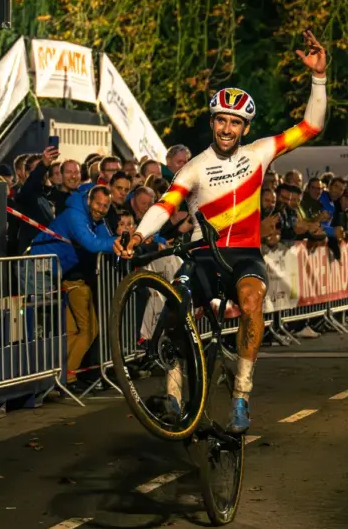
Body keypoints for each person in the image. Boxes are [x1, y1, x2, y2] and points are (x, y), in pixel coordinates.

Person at [117, 29, 327, 433]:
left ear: (245, 127)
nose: (227, 129)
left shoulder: (260, 151)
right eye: (221, 121)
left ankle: (241, 396)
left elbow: (311, 127)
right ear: (212, 122)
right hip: (202, 255)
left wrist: (318, 78)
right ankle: (175, 395)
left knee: (251, 304)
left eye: (235, 122)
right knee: (180, 316)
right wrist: (139, 236)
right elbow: (166, 205)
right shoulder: (193, 166)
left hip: (245, 255)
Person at [30, 186, 117, 391]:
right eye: (98, 203)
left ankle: (58, 378)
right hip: (41, 272)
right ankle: (60, 377)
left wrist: (125, 240)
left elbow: (107, 237)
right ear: (89, 201)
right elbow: (94, 244)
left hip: (62, 275)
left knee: (70, 331)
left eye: (105, 206)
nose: (101, 209)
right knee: (56, 330)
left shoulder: (94, 218)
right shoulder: (74, 215)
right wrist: (119, 241)